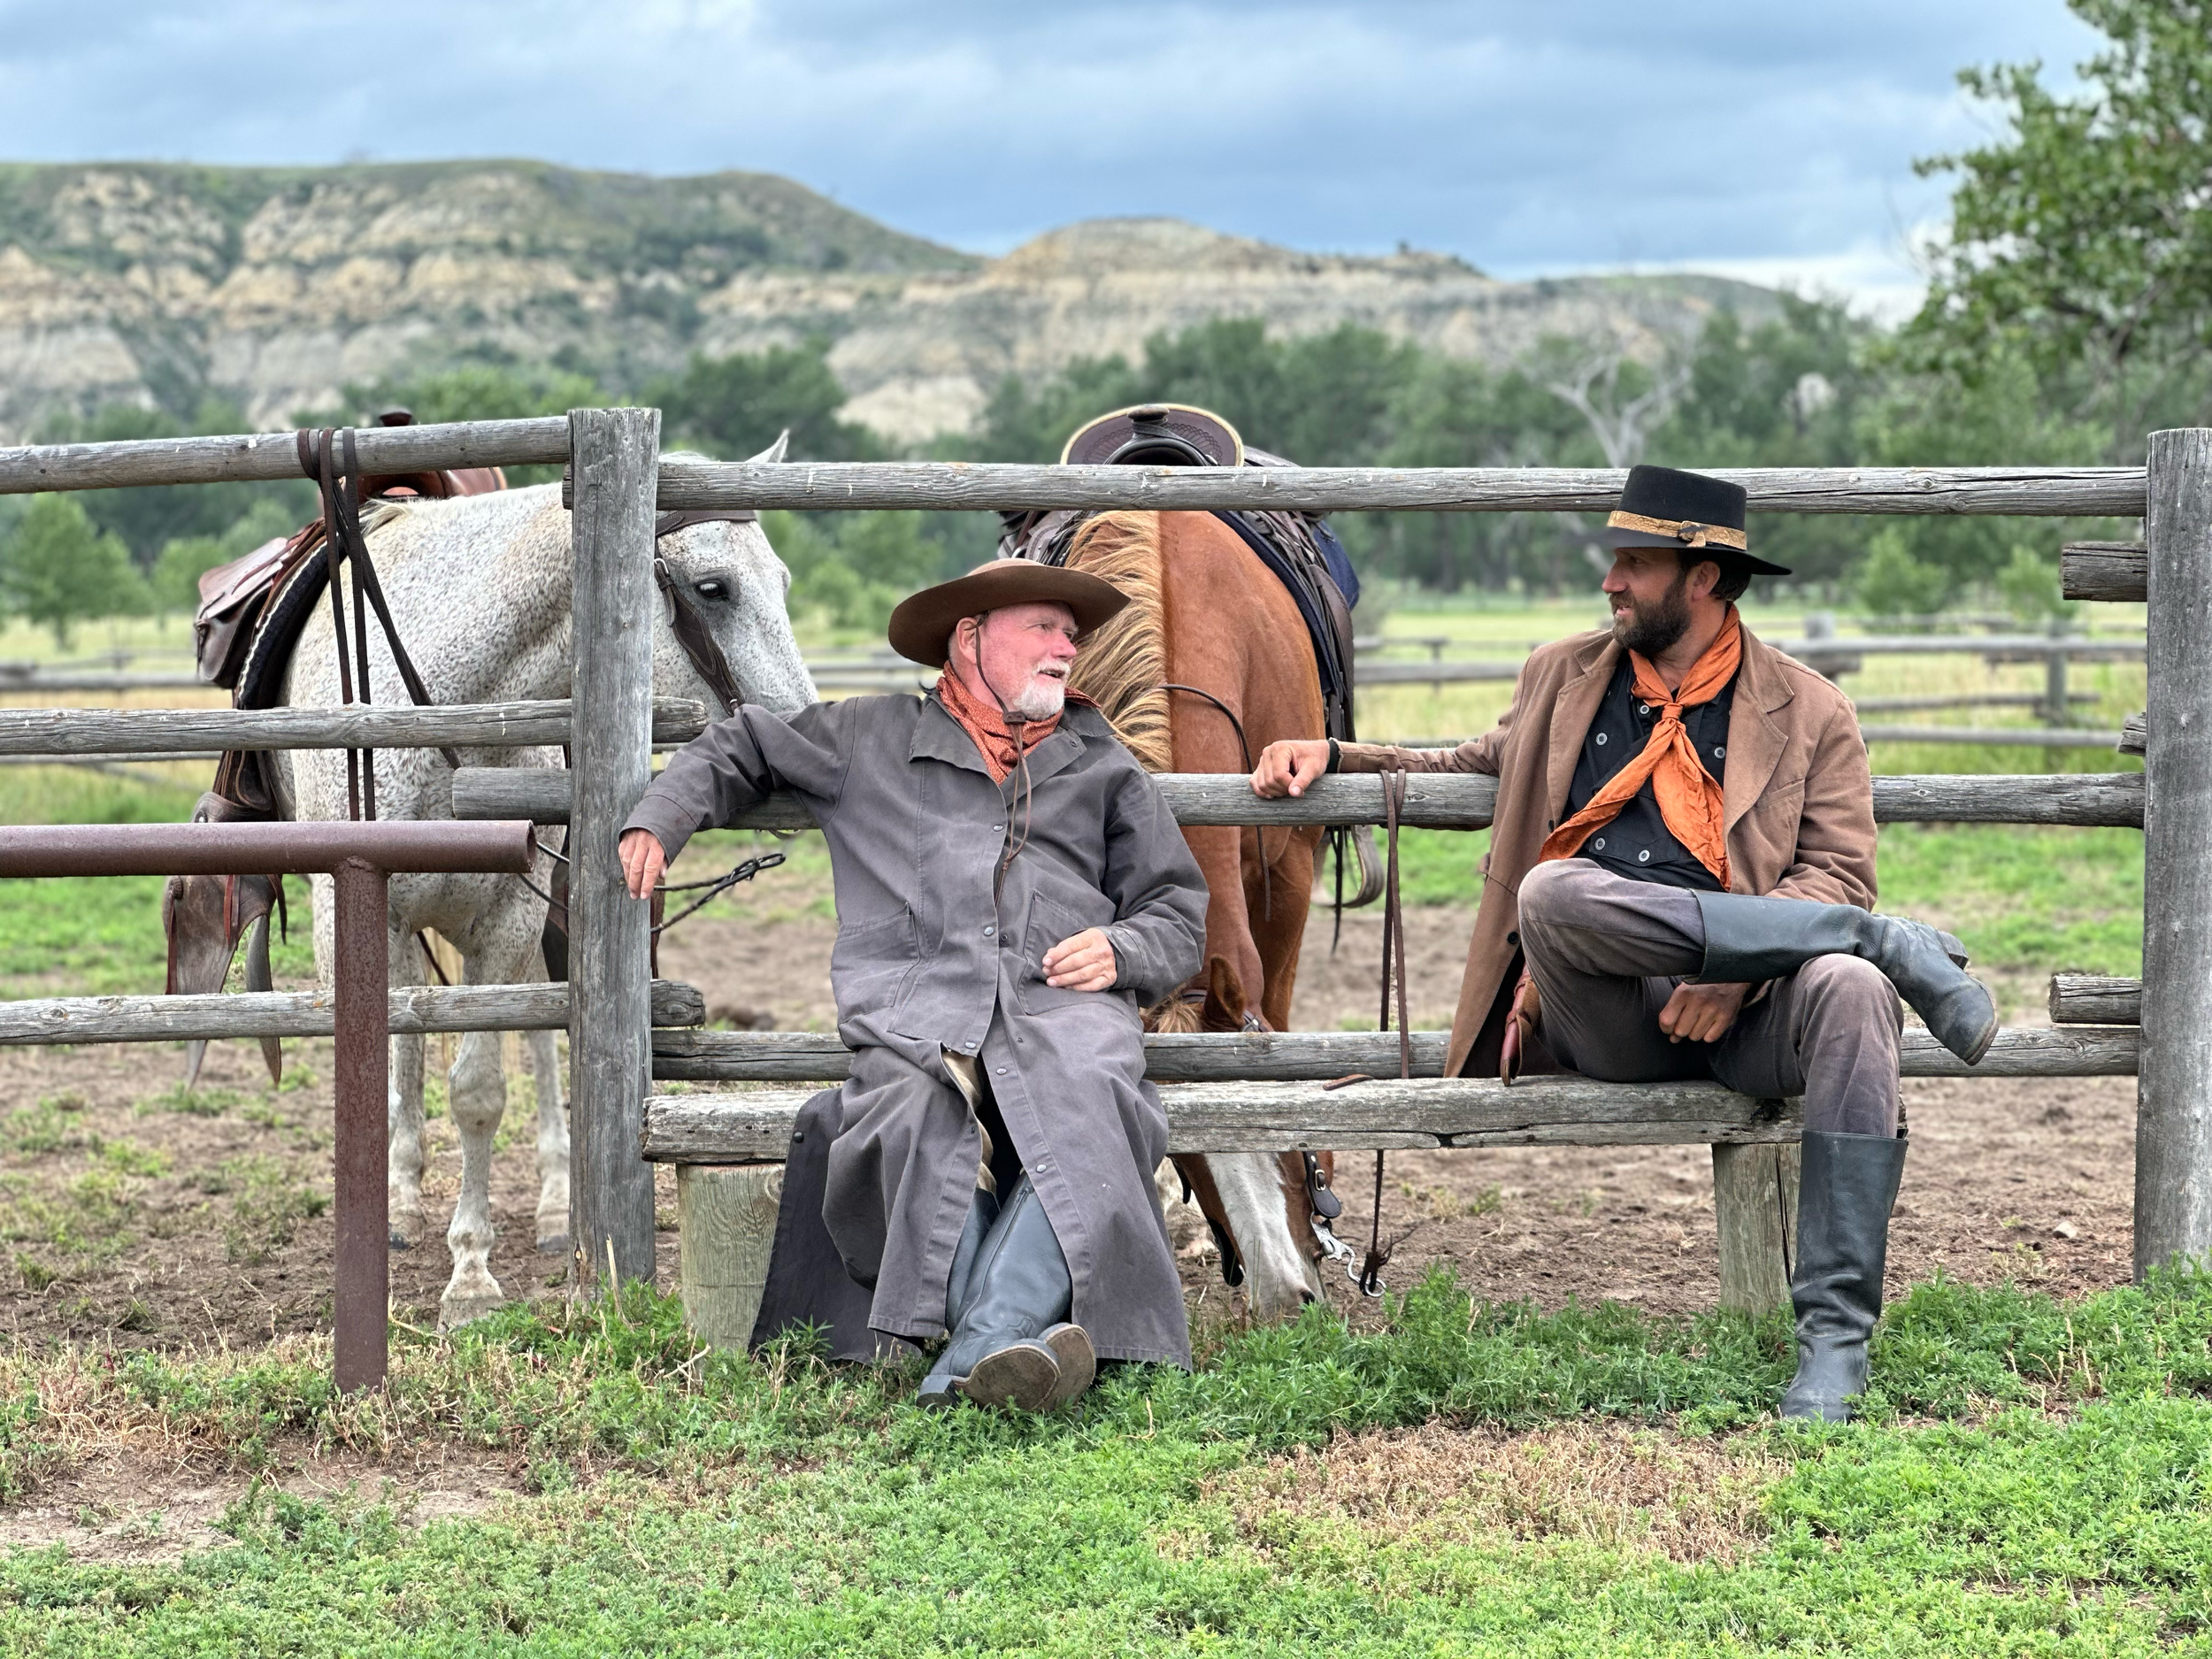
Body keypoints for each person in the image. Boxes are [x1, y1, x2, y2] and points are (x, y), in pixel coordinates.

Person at [1249, 465, 1995, 1422]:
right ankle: (1878, 943)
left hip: (1746, 1015)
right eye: (1614, 560)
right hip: (1607, 1011)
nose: (1611, 582)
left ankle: (1834, 1343)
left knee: (1851, 991)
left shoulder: (1811, 711)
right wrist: (1336, 755)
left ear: (1704, 579)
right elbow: (1470, 763)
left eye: (1635, 564)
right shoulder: (1563, 675)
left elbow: (1836, 868)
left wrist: (1737, 977)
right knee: (1554, 891)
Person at [620, 560, 1206, 1411]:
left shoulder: (1103, 766)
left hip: (1064, 1012)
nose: (1066, 647)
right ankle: (1010, 1346)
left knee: (1091, 1096)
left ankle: (965, 1365)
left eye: (1070, 633)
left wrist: (1122, 949)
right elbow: (741, 743)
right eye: (1042, 627)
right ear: (968, 638)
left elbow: (1179, 912)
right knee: (907, 1111)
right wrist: (660, 816)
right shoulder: (867, 737)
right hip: (915, 1013)